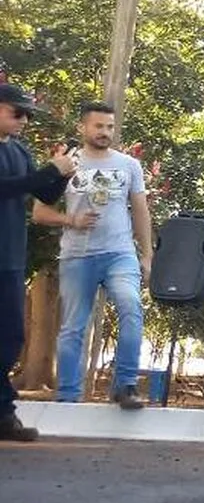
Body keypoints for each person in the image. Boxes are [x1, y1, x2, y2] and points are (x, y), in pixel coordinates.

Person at [33, 102, 152, 410]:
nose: (104, 132)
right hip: (78, 256)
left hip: (119, 253)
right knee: (73, 326)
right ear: (82, 128)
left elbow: (140, 211)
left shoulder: (129, 166)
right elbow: (39, 212)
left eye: (110, 127)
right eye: (98, 126)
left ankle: (124, 386)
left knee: (131, 307)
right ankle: (68, 396)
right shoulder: (65, 164)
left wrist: (147, 255)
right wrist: (70, 220)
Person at [0, 83, 75, 440]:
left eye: (28, 114)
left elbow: (41, 192)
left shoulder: (18, 150)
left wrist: (61, 175)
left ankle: (2, 414)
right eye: (17, 112)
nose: (24, 120)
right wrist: (48, 171)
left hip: (10, 257)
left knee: (11, 337)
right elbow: (6, 186)